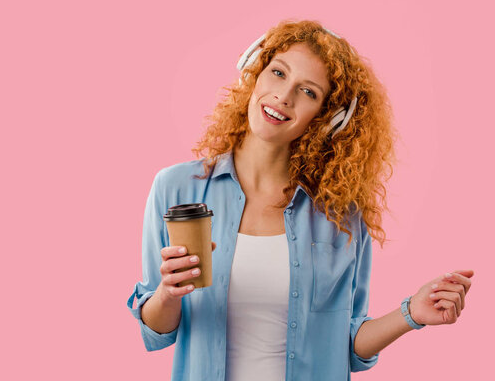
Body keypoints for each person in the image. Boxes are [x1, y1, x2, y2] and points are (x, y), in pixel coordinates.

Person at [126, 19, 474, 381]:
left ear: (329, 119)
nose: (284, 96)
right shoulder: (177, 189)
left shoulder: (342, 216)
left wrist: (412, 313)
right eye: (277, 73)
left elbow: (348, 343)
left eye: (308, 92)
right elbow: (156, 331)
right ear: (253, 73)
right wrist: (168, 294)